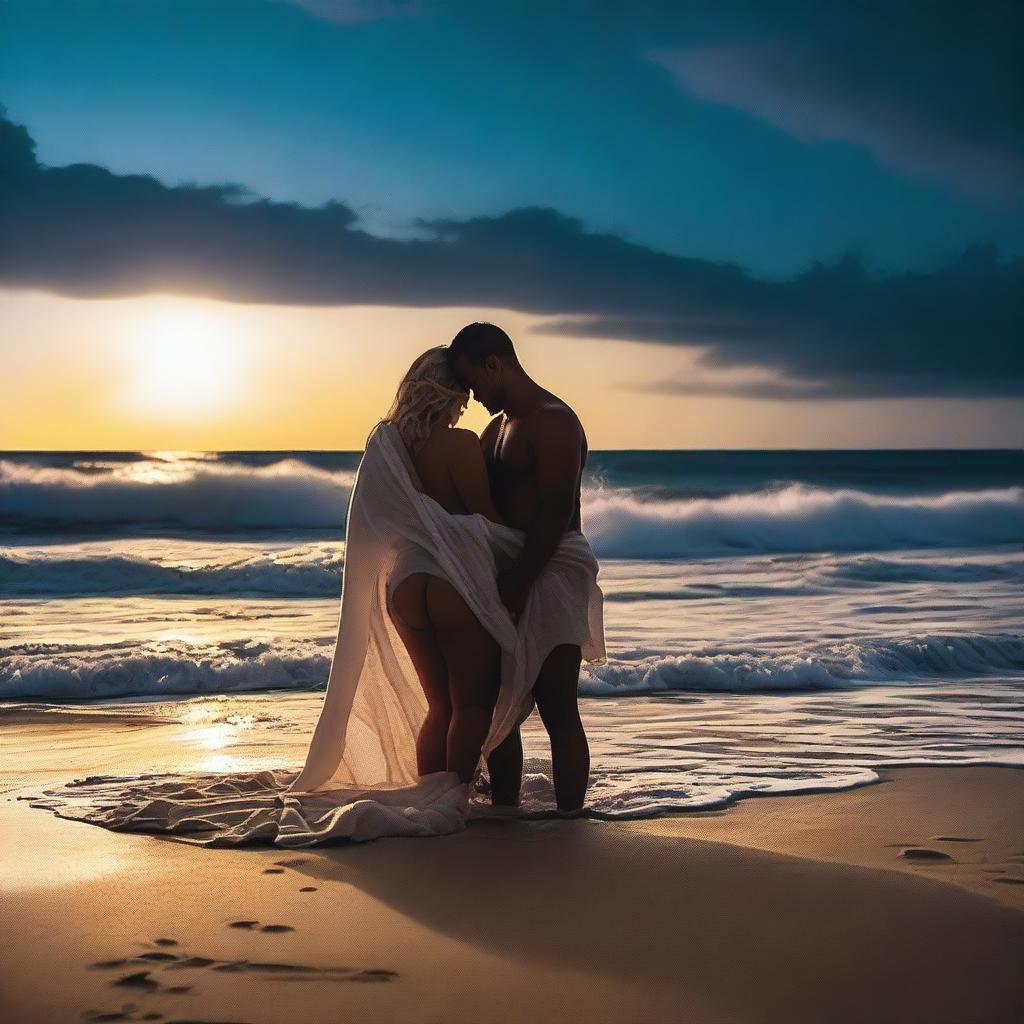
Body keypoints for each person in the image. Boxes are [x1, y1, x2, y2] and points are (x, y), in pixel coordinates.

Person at [447, 322, 593, 812]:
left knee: (557, 703)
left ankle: (571, 818)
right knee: (493, 700)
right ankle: (505, 809)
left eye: (475, 383)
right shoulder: (495, 428)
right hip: (507, 574)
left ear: (495, 364)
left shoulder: (554, 422)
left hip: (551, 572)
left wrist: (520, 581)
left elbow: (555, 512)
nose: (473, 396)